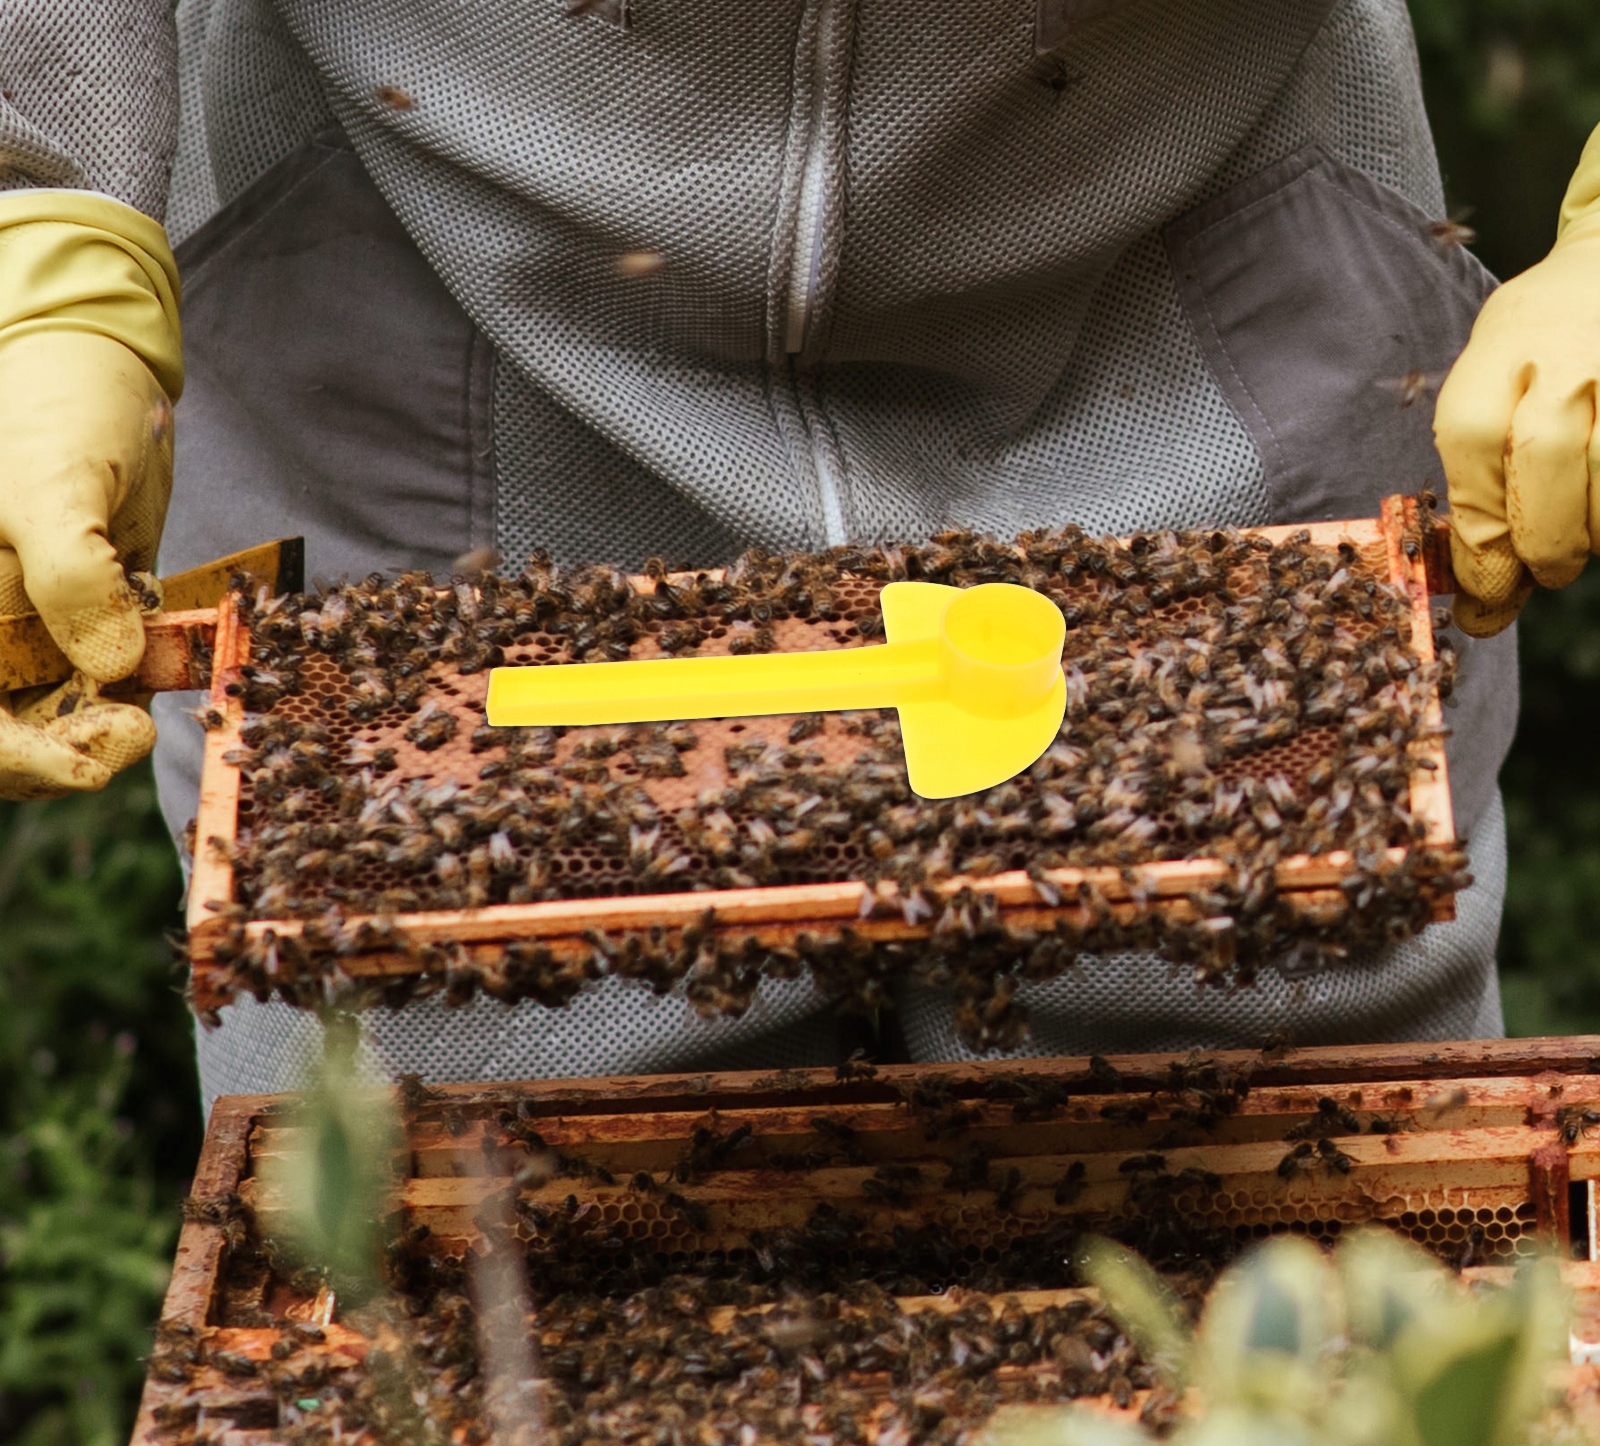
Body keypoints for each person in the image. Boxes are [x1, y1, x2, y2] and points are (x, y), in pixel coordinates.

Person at [0, 0, 1591, 1106]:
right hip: (410, 357)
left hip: (1211, 324)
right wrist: (26, 221)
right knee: (451, 1366)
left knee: (1308, 1377)